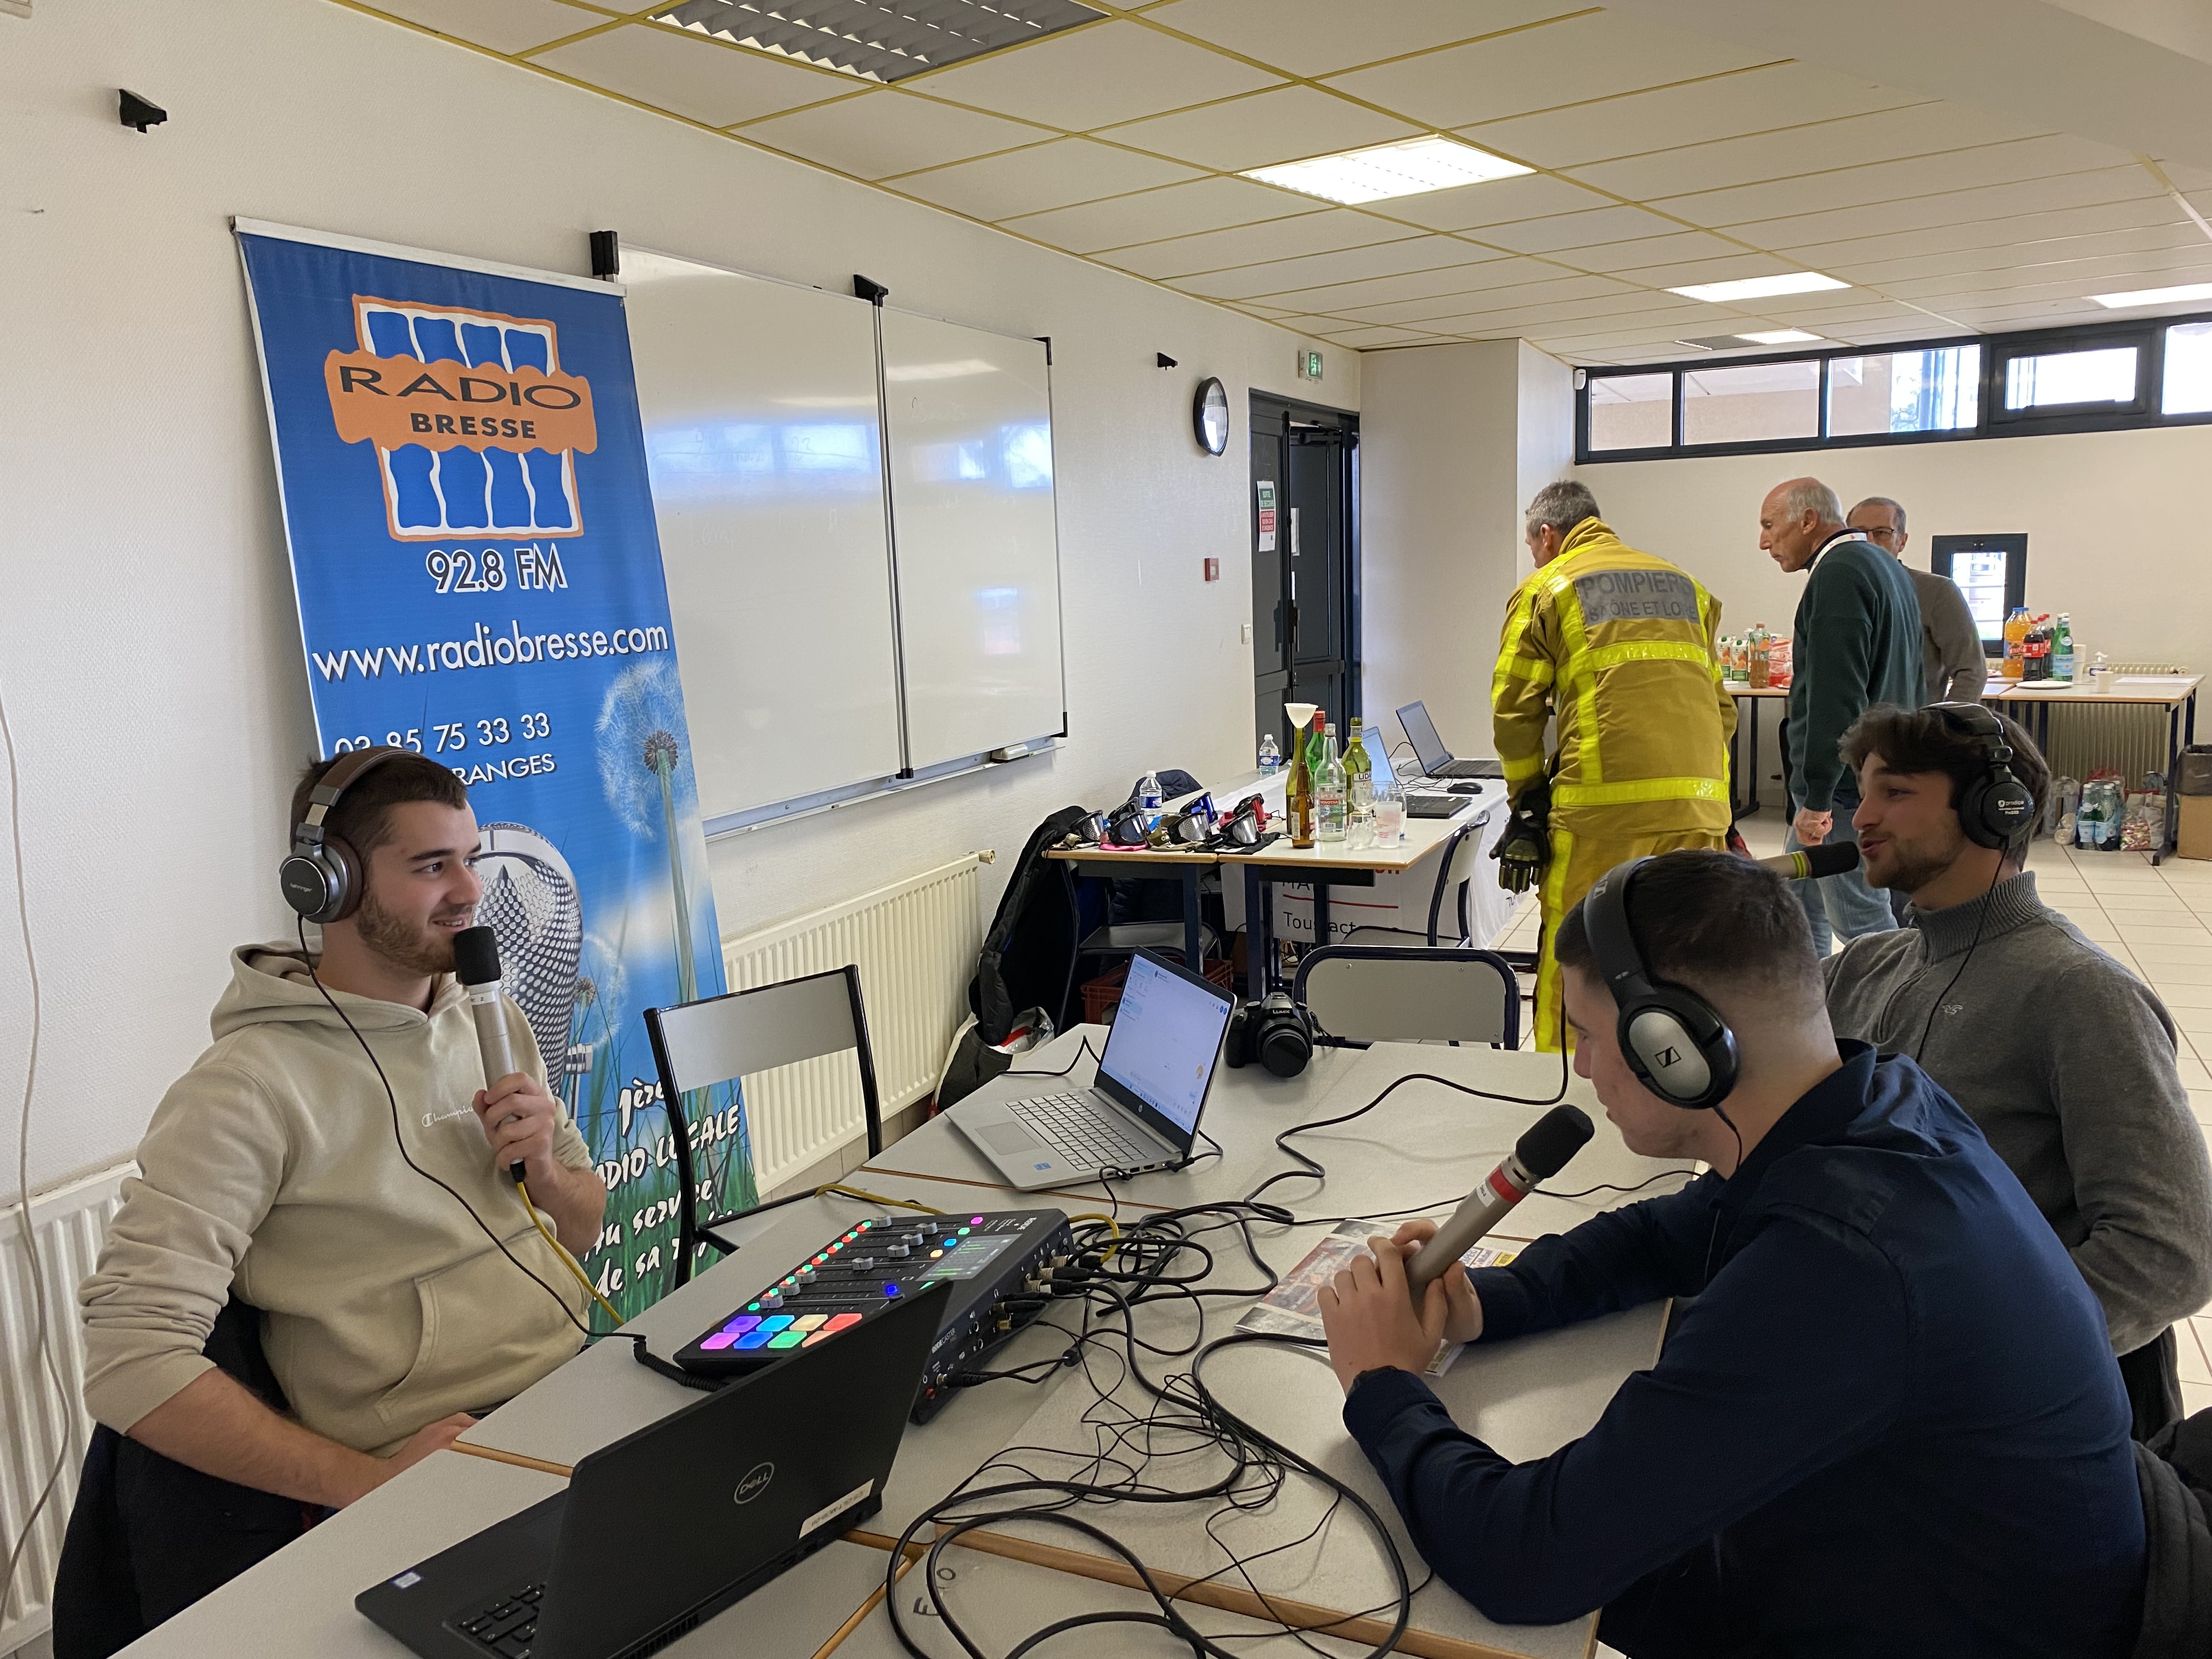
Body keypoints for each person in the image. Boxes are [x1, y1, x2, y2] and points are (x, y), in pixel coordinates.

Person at [1316, 850, 2142, 1657]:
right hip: (1894, 1554)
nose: (1582, 1067)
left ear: (1675, 1049)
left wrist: (1384, 1385)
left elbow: (1529, 1562)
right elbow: (1667, 1234)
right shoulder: (1874, 1099)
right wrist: (1489, 1300)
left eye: (1591, 1036)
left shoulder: (1844, 1264)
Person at [72, 751, 606, 1620]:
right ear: (329, 885)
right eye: (433, 867)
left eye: (470, 858)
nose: (470, 891)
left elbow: (580, 1231)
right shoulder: (248, 1087)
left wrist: (547, 1170)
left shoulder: (490, 1016)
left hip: (575, 1397)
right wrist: (372, 1485)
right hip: (442, 1455)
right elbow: (131, 1364)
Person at [1824, 701, 2212, 1438]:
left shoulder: (2081, 994)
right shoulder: (1864, 969)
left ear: (1994, 811)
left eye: (1896, 792)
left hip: (2020, 1415)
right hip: (1888, 1382)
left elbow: (2169, 1255)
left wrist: (1977, 1355)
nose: (1862, 817)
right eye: (1864, 791)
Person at [1490, 479, 1735, 1049]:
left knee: (1579, 952)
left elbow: (1514, 709)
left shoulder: (1548, 588)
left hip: (1601, 815)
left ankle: (1563, 1079)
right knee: (1686, 949)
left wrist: (1527, 801)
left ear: (1548, 536)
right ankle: (1686, 1075)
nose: (1534, 556)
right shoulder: (1685, 586)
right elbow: (1720, 708)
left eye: (1532, 546)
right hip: (1701, 808)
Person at [1761, 476, 1922, 952]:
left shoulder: (1839, 573)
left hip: (1848, 788)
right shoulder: (1884, 566)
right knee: (1795, 906)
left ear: (1809, 521)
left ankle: (1900, 1020)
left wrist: (1818, 797)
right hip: (1877, 767)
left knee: (1862, 925)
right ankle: (1809, 1011)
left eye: (1771, 525)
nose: (1764, 541)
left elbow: (1836, 697)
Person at [1847, 495, 1988, 703]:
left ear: (1902, 541)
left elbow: (1972, 671)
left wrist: (1946, 726)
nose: (1869, 541)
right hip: (1851, 730)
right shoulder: (1839, 595)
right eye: (1859, 533)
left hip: (1912, 729)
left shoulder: (1936, 592)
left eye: (1881, 533)